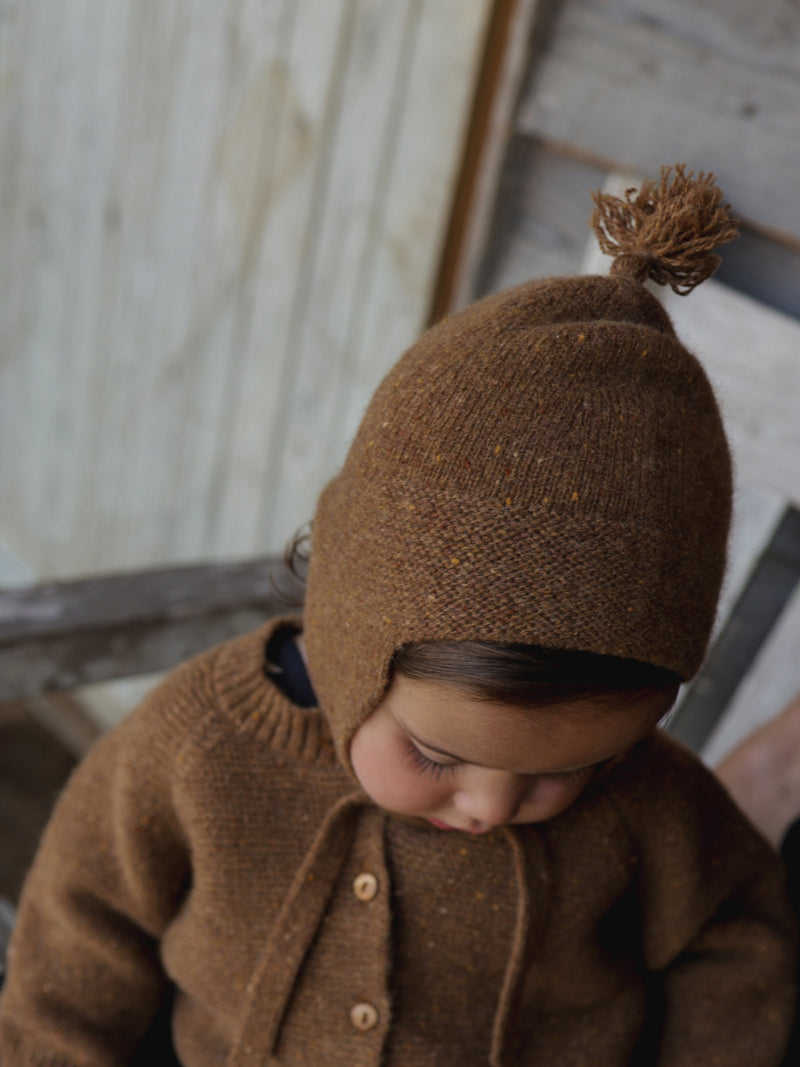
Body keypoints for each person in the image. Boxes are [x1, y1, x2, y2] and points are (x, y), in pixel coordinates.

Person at [0, 166, 796, 1066]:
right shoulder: (202, 746)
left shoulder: (656, 810)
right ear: (349, 639)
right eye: (437, 756)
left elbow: (738, 951)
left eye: (573, 767)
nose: (493, 807)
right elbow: (81, 922)